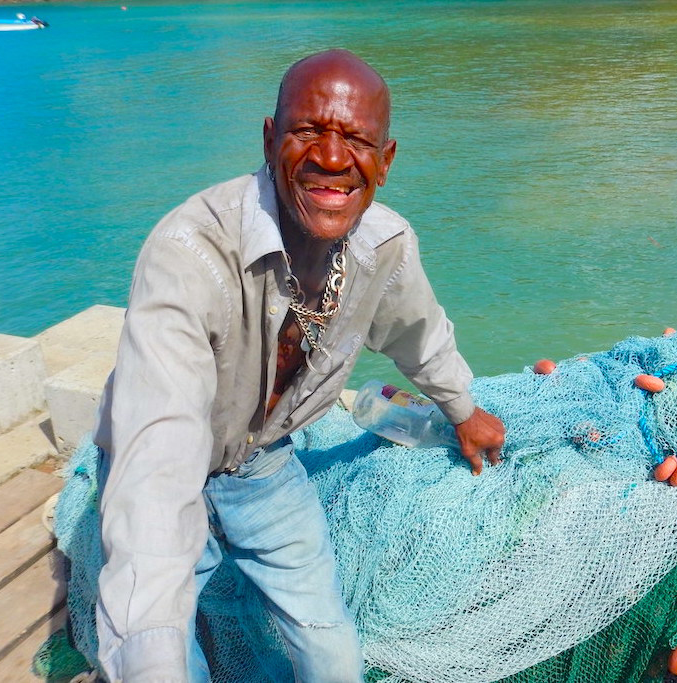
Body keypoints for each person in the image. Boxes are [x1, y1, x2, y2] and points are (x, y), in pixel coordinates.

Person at [93, 49, 506, 682]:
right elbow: (155, 465)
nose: (333, 159)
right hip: (175, 468)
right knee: (166, 652)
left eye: (358, 140)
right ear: (268, 138)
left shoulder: (385, 247)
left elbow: (419, 335)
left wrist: (463, 410)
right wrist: (149, 652)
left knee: (333, 653)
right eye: (308, 131)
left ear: (385, 162)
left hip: (264, 466)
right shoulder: (190, 254)